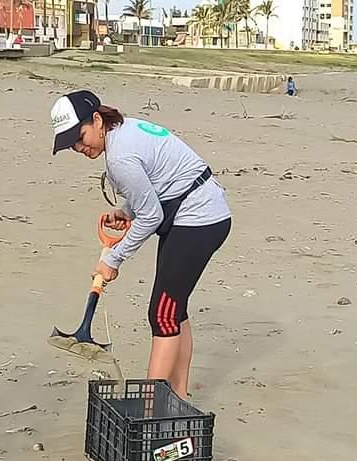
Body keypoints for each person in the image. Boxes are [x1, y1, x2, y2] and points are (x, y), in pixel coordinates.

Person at [49, 90, 231, 399]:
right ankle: (178, 396)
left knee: (162, 315)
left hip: (199, 219)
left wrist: (114, 259)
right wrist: (126, 212)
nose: (79, 147)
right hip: (198, 212)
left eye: (79, 137)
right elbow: (157, 185)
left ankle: (150, 408)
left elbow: (151, 217)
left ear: (96, 120)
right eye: (71, 145)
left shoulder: (120, 157)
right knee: (174, 310)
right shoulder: (125, 131)